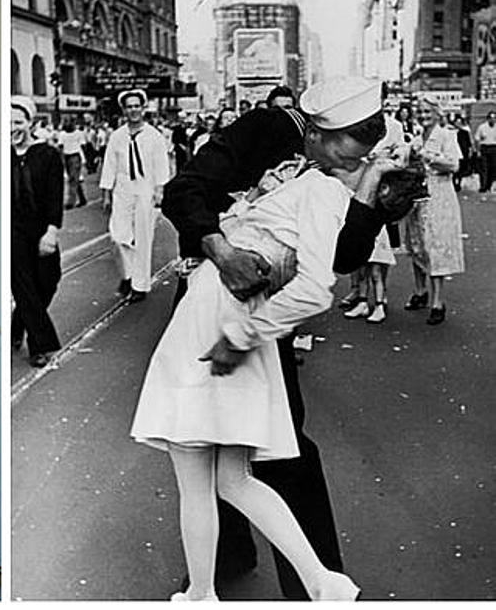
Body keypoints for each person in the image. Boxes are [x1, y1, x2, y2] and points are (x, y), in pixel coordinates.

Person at [160, 77, 394, 600]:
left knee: (270, 444)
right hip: (216, 298)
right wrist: (223, 253)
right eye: (355, 143)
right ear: (315, 132)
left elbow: (340, 259)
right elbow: (183, 191)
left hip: (262, 317)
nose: (362, 156)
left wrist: (373, 206)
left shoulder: (346, 170)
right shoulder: (266, 127)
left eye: (371, 143)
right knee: (214, 445)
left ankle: (309, 583)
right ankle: (227, 562)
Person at [342, 95, 410, 323]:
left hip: (382, 194)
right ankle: (361, 298)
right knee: (357, 250)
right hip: (357, 189)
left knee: (379, 255)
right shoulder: (355, 126)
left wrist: (389, 157)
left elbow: (402, 156)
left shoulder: (394, 127)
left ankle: (380, 300)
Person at [100, 89, 171, 303]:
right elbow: (109, 165)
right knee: (117, 236)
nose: (133, 110)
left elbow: (161, 165)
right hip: (122, 190)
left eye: (136, 106)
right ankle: (127, 275)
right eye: (129, 106)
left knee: (142, 238)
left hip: (145, 190)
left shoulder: (154, 136)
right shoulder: (117, 136)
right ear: (124, 110)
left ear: (143, 108)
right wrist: (106, 194)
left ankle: (139, 285)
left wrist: (160, 191)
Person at [11, 95, 64, 367]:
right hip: (11, 231)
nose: (12, 129)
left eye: (18, 122)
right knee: (24, 286)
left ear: (30, 123)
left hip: (41, 228)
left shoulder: (48, 155)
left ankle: (17, 324)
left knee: (48, 280)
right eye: (7, 123)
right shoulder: (1, 154)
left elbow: (55, 196)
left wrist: (51, 231)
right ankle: (40, 346)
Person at [402, 97, 464, 325]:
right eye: (420, 111)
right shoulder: (417, 137)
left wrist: (428, 157)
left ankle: (438, 302)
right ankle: (420, 292)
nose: (423, 115)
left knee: (436, 247)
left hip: (439, 197)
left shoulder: (447, 135)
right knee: (417, 245)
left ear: (437, 114)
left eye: (427, 111)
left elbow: (454, 165)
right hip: (417, 197)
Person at [59, 119, 88, 208]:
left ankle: (71, 202)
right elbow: (60, 146)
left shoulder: (78, 133)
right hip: (67, 156)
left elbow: (83, 145)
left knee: (72, 179)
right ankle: (82, 199)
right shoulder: (62, 134)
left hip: (75, 156)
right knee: (74, 179)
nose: (68, 124)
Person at [473, 110, 496, 193]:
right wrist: (478, 150)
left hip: (494, 148)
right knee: (484, 168)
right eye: (491, 118)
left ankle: (489, 185)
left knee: (493, 168)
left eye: (494, 118)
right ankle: (483, 186)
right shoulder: (482, 127)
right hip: (485, 148)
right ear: (488, 119)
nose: (493, 120)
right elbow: (477, 139)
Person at [453, 115, 472, 192]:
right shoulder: (451, 132)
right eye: (457, 122)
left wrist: (469, 151)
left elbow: (468, 143)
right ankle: (454, 183)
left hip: (463, 152)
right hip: (454, 152)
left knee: (461, 169)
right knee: (454, 169)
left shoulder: (465, 132)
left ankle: (459, 183)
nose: (458, 124)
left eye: (460, 122)